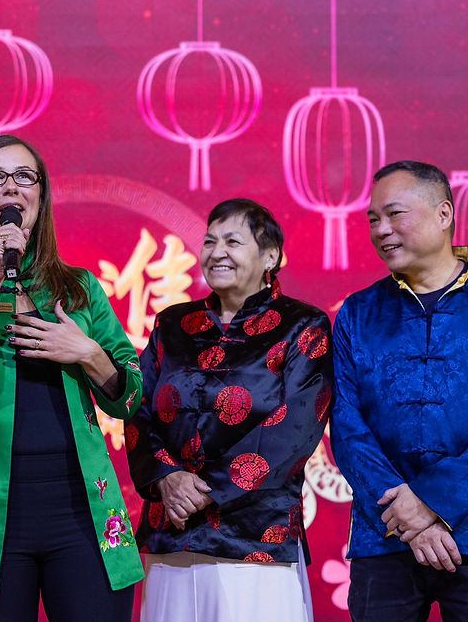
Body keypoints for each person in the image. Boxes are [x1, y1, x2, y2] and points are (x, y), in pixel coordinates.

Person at [0, 135, 144, 620]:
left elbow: (131, 395)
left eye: (25, 177)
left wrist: (88, 353)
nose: (11, 188)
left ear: (40, 197)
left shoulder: (78, 288)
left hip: (82, 509)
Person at [330, 160, 468, 621]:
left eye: (394, 215)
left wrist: (430, 502)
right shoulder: (357, 312)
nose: (381, 230)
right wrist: (405, 512)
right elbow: (347, 425)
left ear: (444, 214)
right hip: (384, 532)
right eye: (373, 219)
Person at [125, 198, 332, 622]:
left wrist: (197, 493)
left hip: (256, 540)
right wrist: (166, 479)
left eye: (233, 241)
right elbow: (137, 407)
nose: (217, 252)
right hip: (172, 536)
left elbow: (292, 431)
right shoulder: (172, 324)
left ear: (270, 256)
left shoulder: (303, 325)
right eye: (209, 241)